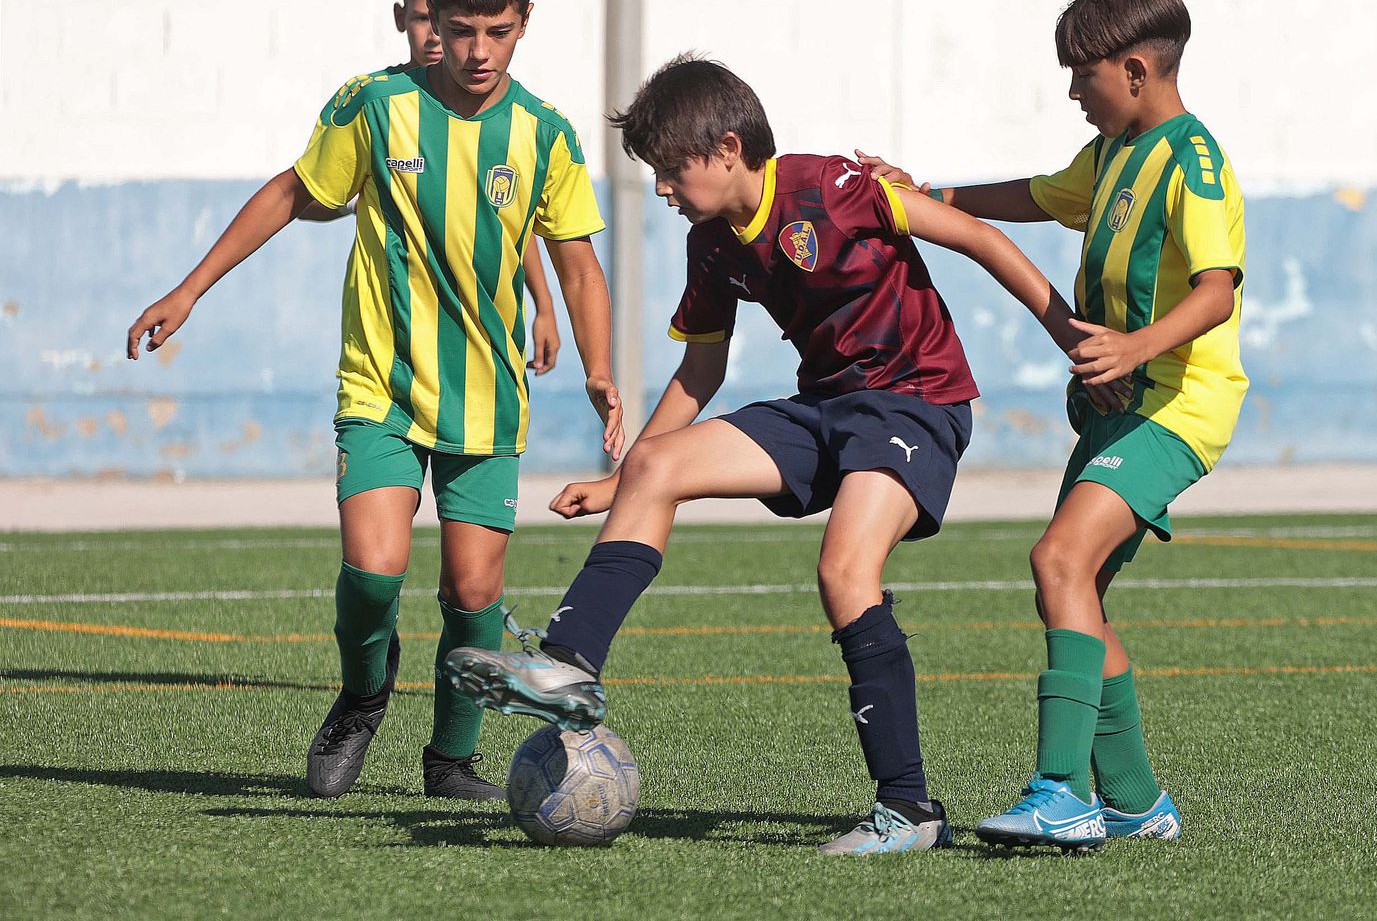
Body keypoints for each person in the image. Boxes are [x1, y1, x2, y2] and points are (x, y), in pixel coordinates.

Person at [446, 53, 1093, 854]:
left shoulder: (835, 189)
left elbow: (980, 239)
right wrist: (622, 480)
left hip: (916, 402)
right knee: (657, 466)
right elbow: (701, 370)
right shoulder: (712, 244)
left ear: (726, 147)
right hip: (824, 406)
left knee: (843, 570)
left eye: (671, 172)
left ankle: (908, 809)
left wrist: (1068, 334)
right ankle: (570, 665)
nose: (661, 191)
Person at [126, 0, 624, 800]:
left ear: (525, 22)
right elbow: (292, 191)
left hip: (487, 399)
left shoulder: (545, 134)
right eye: (458, 29)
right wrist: (190, 289)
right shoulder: (374, 106)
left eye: (496, 32)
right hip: (381, 387)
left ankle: (450, 761)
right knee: (373, 570)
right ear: (432, 19)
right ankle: (362, 697)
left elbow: (578, 263)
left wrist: (598, 367)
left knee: (473, 592)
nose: (474, 50)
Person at [860, 0, 1248, 851]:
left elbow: (1218, 291)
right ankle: (1140, 803)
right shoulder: (1113, 154)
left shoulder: (1196, 162)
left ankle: (1061, 792)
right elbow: (1035, 197)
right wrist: (921, 196)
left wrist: (1133, 346)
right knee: (1081, 595)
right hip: (1120, 406)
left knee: (1056, 561)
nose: (1074, 90)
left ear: (1138, 71)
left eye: (1085, 73)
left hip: (1177, 407)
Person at [300, 0, 562, 374]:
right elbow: (301, 197)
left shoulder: (516, 121)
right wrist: (361, 197)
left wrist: (544, 304)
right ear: (406, 17)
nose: (438, 38)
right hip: (387, 353)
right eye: (427, 20)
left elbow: (510, 214)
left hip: (475, 352)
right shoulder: (375, 105)